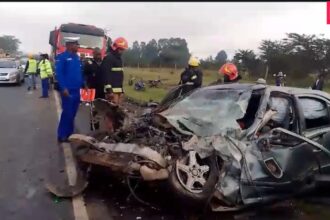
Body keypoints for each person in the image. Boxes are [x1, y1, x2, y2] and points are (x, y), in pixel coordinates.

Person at [56, 37, 84, 142]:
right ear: (69, 45)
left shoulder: (77, 57)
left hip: (77, 90)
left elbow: (78, 73)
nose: (78, 46)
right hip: (68, 90)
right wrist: (63, 88)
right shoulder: (62, 57)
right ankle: (62, 134)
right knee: (67, 112)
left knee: (73, 113)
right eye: (76, 44)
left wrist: (83, 84)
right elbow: (59, 74)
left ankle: (69, 133)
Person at [101, 37, 128, 105]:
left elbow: (119, 76)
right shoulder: (109, 58)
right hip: (111, 92)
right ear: (115, 47)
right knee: (110, 112)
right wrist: (109, 91)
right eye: (121, 49)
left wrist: (121, 90)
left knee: (116, 111)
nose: (122, 51)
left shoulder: (119, 59)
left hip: (118, 91)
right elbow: (106, 75)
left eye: (123, 50)